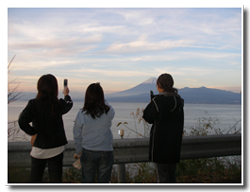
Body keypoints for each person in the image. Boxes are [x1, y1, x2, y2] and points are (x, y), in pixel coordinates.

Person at [18, 74, 73, 183]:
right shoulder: (57, 104)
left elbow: (22, 121)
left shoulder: (33, 104)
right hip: (56, 148)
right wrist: (66, 95)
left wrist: (34, 133)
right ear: (55, 88)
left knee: (35, 179)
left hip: (39, 148)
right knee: (55, 180)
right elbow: (68, 104)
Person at [142, 73, 184, 183]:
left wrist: (152, 103)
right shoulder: (179, 101)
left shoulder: (158, 101)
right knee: (171, 175)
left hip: (161, 146)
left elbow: (148, 116)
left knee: (162, 176)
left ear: (160, 85)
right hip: (174, 144)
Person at [73, 83, 115, 183]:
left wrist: (79, 151)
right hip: (106, 151)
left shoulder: (82, 114)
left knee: (87, 182)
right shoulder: (109, 111)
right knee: (104, 182)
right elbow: (108, 107)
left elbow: (77, 134)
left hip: (88, 151)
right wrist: (102, 100)